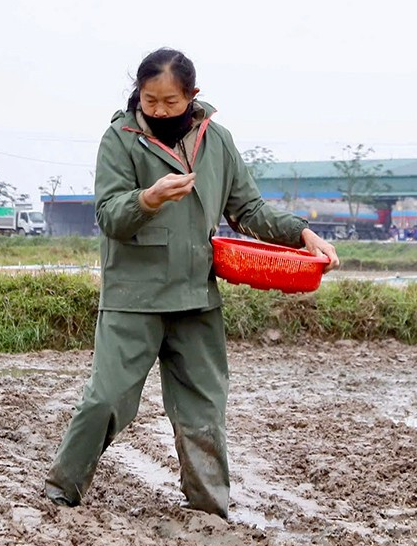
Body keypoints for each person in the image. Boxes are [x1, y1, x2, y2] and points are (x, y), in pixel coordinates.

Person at [45, 48, 340, 517]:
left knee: (203, 411)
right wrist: (148, 197)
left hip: (196, 297)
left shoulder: (216, 141)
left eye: (170, 102)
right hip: (133, 299)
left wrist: (303, 233)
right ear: (137, 95)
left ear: (192, 96)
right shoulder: (119, 139)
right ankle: (62, 489)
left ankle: (209, 509)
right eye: (149, 100)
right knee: (106, 400)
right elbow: (109, 217)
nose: (159, 110)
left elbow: (248, 210)